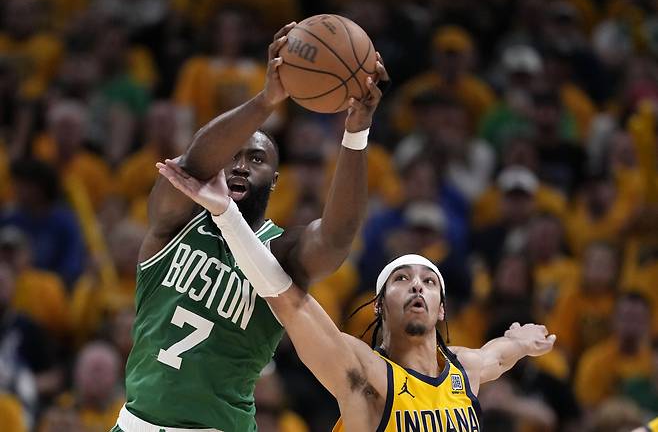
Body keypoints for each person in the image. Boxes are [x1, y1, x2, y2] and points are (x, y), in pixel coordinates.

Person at [113, 22, 389, 432]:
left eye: (257, 159)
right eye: (234, 157)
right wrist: (266, 99)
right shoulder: (173, 225)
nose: (241, 165)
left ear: (276, 180)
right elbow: (191, 165)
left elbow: (337, 236)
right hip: (136, 424)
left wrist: (356, 131)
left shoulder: (281, 252)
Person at [157, 157, 556, 432]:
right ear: (379, 305)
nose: (417, 284)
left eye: (429, 281)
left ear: (441, 311)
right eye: (402, 278)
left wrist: (520, 343)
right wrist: (227, 215)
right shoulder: (364, 372)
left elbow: (496, 356)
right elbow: (290, 302)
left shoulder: (464, 372)